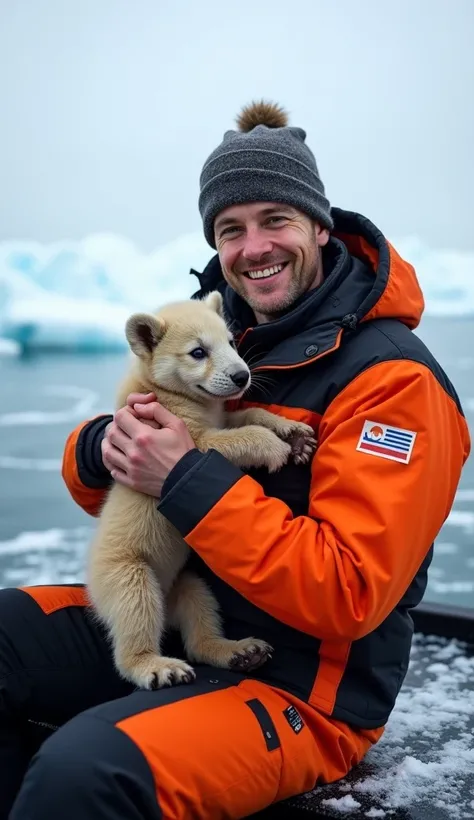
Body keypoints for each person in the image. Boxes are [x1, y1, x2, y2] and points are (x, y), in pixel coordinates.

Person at [1, 100, 470, 820]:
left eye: (275, 220)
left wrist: (187, 474)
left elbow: (349, 594)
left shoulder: (392, 383)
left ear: (319, 224)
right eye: (231, 228)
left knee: (87, 774)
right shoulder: (223, 332)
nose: (254, 246)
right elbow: (116, 495)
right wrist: (101, 447)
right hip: (181, 606)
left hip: (305, 684)